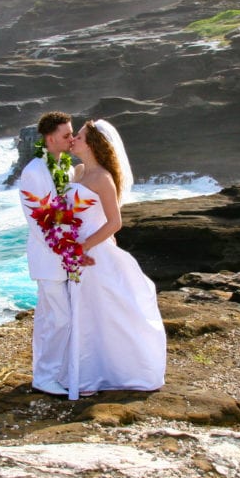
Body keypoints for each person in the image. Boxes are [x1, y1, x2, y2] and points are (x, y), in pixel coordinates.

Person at [58, 119, 166, 400]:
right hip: (77, 251)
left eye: (78, 137)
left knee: (100, 313)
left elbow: (114, 222)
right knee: (82, 310)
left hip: (94, 252)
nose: (73, 140)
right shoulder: (79, 171)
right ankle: (85, 372)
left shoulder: (103, 178)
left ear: (93, 144)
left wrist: (83, 247)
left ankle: (99, 374)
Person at [18, 111, 76, 395]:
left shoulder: (63, 166)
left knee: (48, 317)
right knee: (60, 317)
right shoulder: (33, 172)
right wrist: (66, 253)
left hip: (61, 256)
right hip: (49, 257)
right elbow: (40, 222)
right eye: (67, 135)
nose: (72, 139)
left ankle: (48, 372)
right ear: (50, 139)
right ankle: (46, 377)